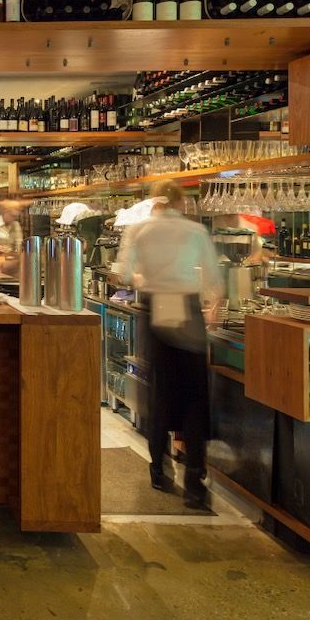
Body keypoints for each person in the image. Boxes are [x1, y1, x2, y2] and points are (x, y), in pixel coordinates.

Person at [114, 180, 223, 508]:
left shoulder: (139, 230)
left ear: (154, 202)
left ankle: (159, 470)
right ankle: (194, 481)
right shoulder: (196, 231)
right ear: (181, 203)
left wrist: (143, 278)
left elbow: (123, 273)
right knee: (194, 394)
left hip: (156, 308)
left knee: (159, 391)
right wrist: (213, 308)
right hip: (187, 309)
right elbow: (215, 281)